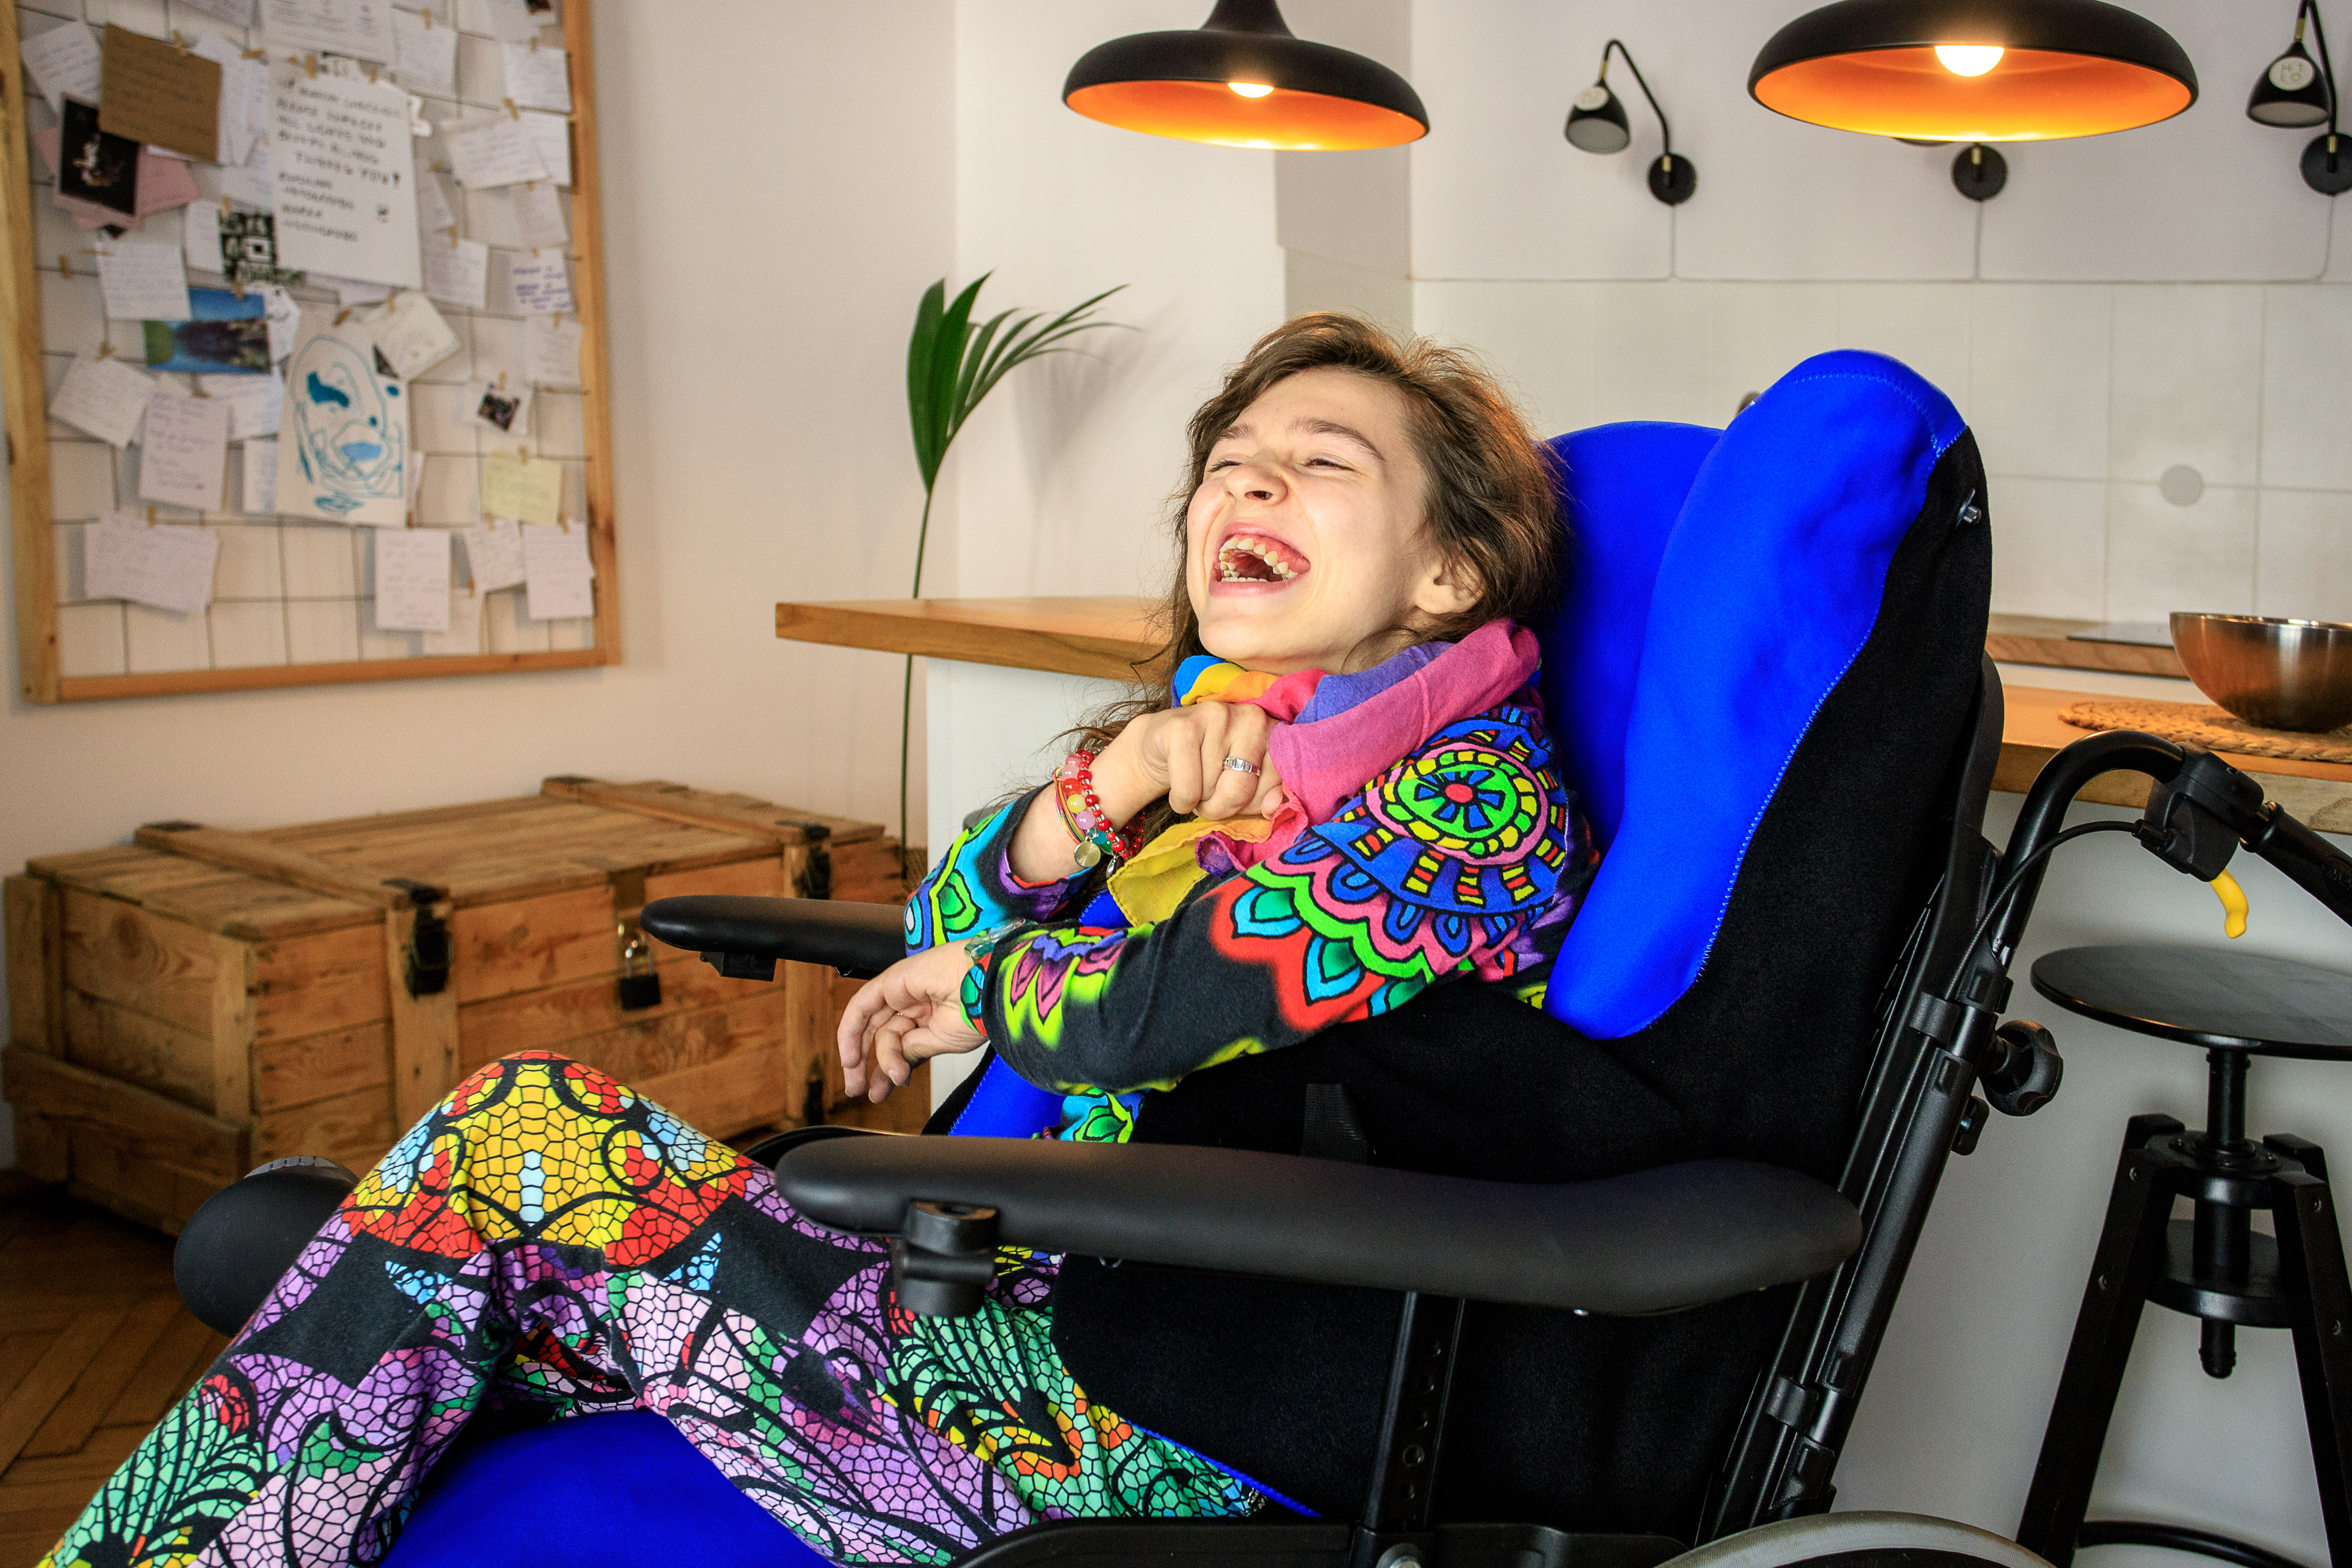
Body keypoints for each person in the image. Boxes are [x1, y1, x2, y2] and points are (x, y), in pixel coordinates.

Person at [36, 314, 1594, 1568]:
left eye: (1317, 465)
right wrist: (1105, 787)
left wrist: (984, 984)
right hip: (1023, 1303)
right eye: (1228, 466)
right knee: (378, 1260)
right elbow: (948, 923)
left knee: (508, 1152)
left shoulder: (1475, 802)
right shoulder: (1230, 737)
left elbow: (1162, 1009)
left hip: (1168, 1422)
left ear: (1449, 571)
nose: (1243, 492)